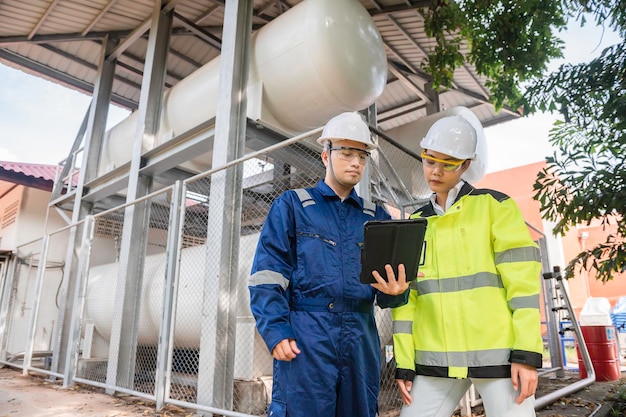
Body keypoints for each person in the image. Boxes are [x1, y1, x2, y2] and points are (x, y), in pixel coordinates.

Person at [248, 111, 410, 417]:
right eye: (346, 154)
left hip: (361, 336)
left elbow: (386, 290)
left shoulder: (375, 217)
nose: (355, 163)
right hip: (308, 335)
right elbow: (267, 275)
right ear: (325, 156)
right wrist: (276, 330)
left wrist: (396, 292)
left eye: (361, 157)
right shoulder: (293, 206)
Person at [391, 114, 543, 417]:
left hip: (499, 359)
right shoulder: (415, 224)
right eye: (429, 160)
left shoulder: (496, 207)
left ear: (465, 165)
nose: (434, 171)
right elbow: (409, 303)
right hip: (436, 363)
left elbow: (523, 288)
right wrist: (405, 363)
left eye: (447, 164)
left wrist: (526, 355)